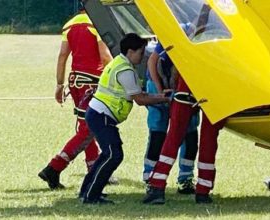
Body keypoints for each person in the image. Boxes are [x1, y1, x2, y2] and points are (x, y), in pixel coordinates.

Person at [79, 33, 171, 204]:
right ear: (130, 51)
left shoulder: (119, 63)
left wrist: (157, 96)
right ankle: (91, 196)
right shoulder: (125, 70)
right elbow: (140, 99)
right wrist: (165, 99)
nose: (143, 55)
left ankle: (87, 191)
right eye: (141, 52)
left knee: (107, 154)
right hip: (102, 116)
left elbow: (139, 94)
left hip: (98, 114)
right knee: (114, 155)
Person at [38, 2, 113, 190]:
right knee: (89, 129)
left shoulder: (70, 25)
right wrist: (115, 76)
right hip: (93, 82)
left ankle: (93, 167)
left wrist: (59, 84)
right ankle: (54, 167)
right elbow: (104, 56)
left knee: (85, 126)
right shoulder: (96, 24)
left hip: (75, 82)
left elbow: (63, 55)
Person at [143, 41, 200, 194]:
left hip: (183, 88)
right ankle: (150, 176)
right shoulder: (176, 32)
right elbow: (152, 62)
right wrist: (161, 92)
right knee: (158, 134)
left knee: (190, 136)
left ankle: (185, 178)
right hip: (161, 85)